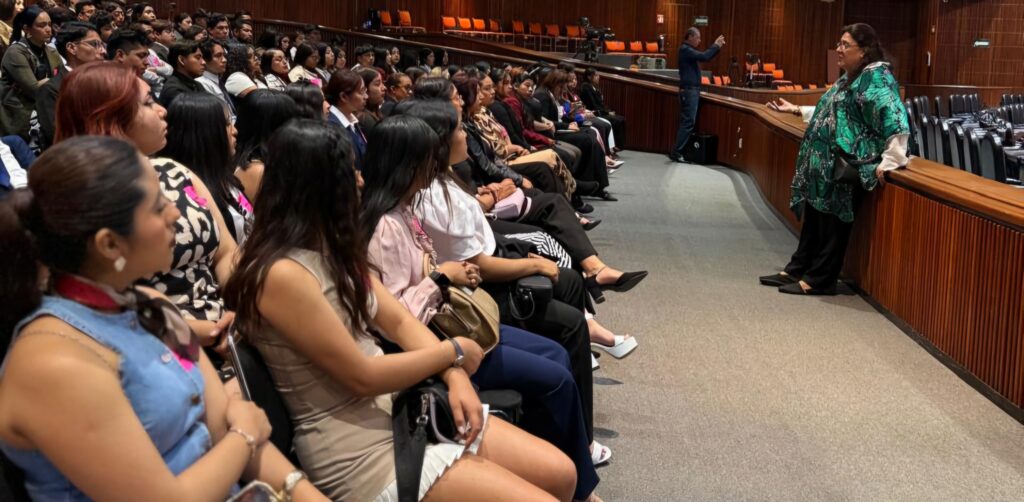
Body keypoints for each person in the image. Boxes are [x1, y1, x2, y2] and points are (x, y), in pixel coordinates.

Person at [222, 119, 577, 502]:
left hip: (401, 408)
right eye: (349, 173)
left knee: (561, 474)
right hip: (359, 454)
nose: (359, 181)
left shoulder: (331, 249)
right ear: (323, 188)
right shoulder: (280, 273)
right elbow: (362, 376)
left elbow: (400, 320)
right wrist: (451, 351)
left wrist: (453, 375)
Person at [0, 136, 325, 501]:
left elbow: (220, 422)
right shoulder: (52, 363)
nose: (176, 213)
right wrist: (245, 436)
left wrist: (303, 491)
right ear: (110, 244)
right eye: (157, 206)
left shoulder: (153, 306)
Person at [361, 114, 602, 502]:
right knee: (554, 376)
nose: (433, 164)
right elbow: (394, 317)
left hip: (456, 322)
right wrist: (442, 278)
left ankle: (570, 473)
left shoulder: (405, 208)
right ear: (407, 164)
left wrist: (445, 274)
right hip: (435, 338)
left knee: (558, 354)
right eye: (426, 157)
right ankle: (578, 488)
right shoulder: (383, 225)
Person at [760, 23, 908, 295]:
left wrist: (890, 160)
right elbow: (832, 110)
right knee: (815, 218)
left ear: (864, 51)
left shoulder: (876, 80)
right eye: (838, 43)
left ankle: (820, 279)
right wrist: (795, 109)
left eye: (845, 45)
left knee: (834, 225)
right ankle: (798, 267)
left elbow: (895, 119)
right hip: (824, 167)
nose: (838, 49)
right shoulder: (851, 77)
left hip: (847, 167)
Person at [161, 92, 252, 244]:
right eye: (227, 124)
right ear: (205, 133)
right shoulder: (190, 198)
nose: (235, 131)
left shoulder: (224, 175)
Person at [36, 20, 105, 150]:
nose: (102, 51)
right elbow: (60, 138)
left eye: (102, 44)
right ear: (72, 48)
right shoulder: (52, 90)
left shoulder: (102, 83)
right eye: (95, 44)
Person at [0, 5, 61, 139]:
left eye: (49, 24)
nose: (48, 29)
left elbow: (63, 79)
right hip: (21, 117)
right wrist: (55, 80)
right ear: (27, 28)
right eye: (42, 25)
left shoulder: (51, 51)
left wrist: (50, 81)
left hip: (47, 111)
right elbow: (34, 88)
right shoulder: (15, 52)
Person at [669, 27, 724, 163]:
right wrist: (716, 45)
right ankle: (677, 152)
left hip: (690, 90)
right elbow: (705, 56)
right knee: (688, 122)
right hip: (689, 91)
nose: (700, 40)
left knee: (687, 122)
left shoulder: (688, 50)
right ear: (690, 37)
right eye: (698, 38)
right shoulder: (685, 49)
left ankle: (679, 150)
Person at [324, 69, 369, 169]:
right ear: (344, 96)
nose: (366, 96)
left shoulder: (353, 121)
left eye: (365, 91)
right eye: (361, 92)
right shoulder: (331, 128)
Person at [158, 39, 208, 107]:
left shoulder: (197, 84)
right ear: (182, 60)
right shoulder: (174, 90)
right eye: (198, 57)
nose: (204, 62)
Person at [196, 38, 235, 119]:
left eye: (224, 55)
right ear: (204, 59)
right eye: (218, 56)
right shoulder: (201, 83)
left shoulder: (217, 79)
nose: (224, 60)